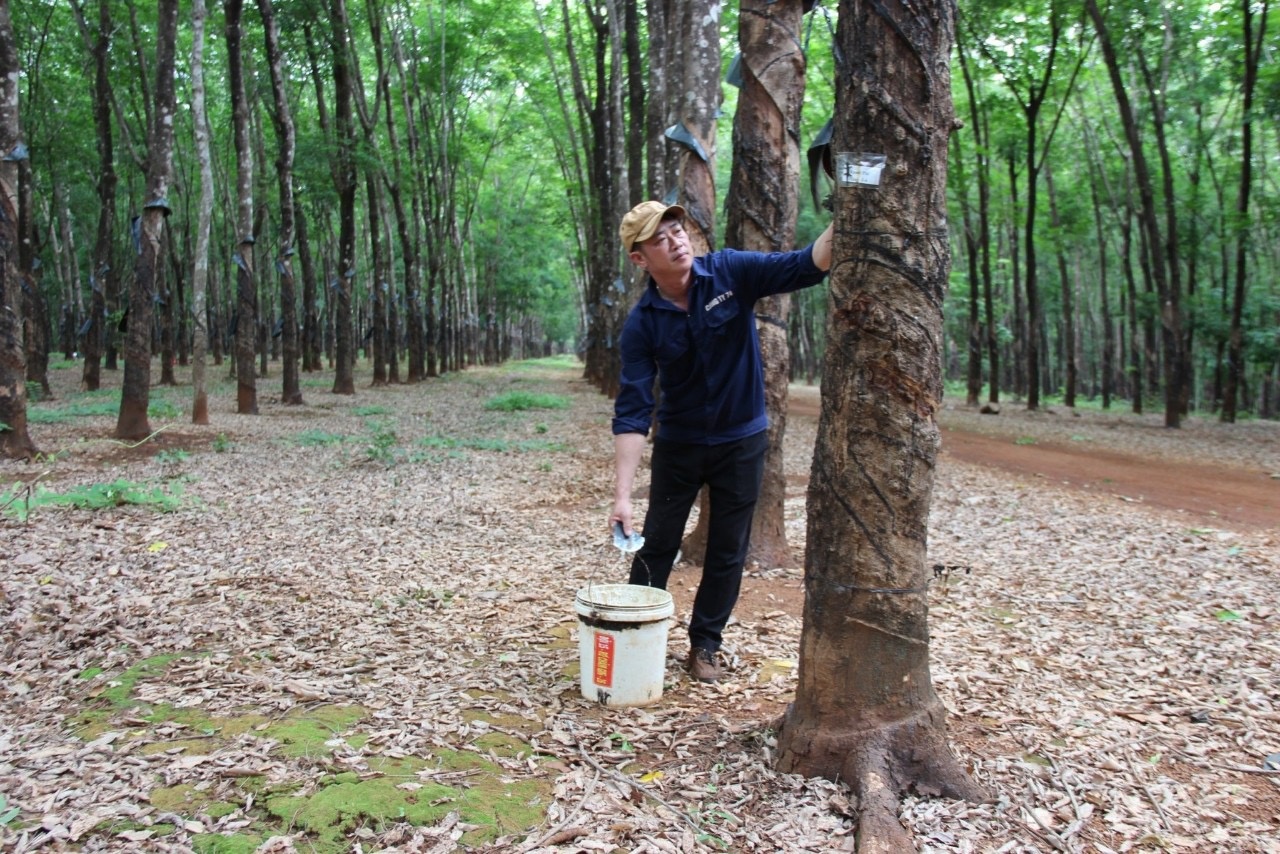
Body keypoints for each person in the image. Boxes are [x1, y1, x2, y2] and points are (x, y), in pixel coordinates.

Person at [609, 200, 833, 683]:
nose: (676, 240)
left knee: (728, 550)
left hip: (742, 441)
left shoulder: (730, 272)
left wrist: (850, 211)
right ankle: (637, 637)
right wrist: (623, 496)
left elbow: (805, 264)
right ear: (639, 258)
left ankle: (705, 645)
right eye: (660, 238)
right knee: (657, 544)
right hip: (680, 446)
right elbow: (632, 410)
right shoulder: (642, 324)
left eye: (678, 228)